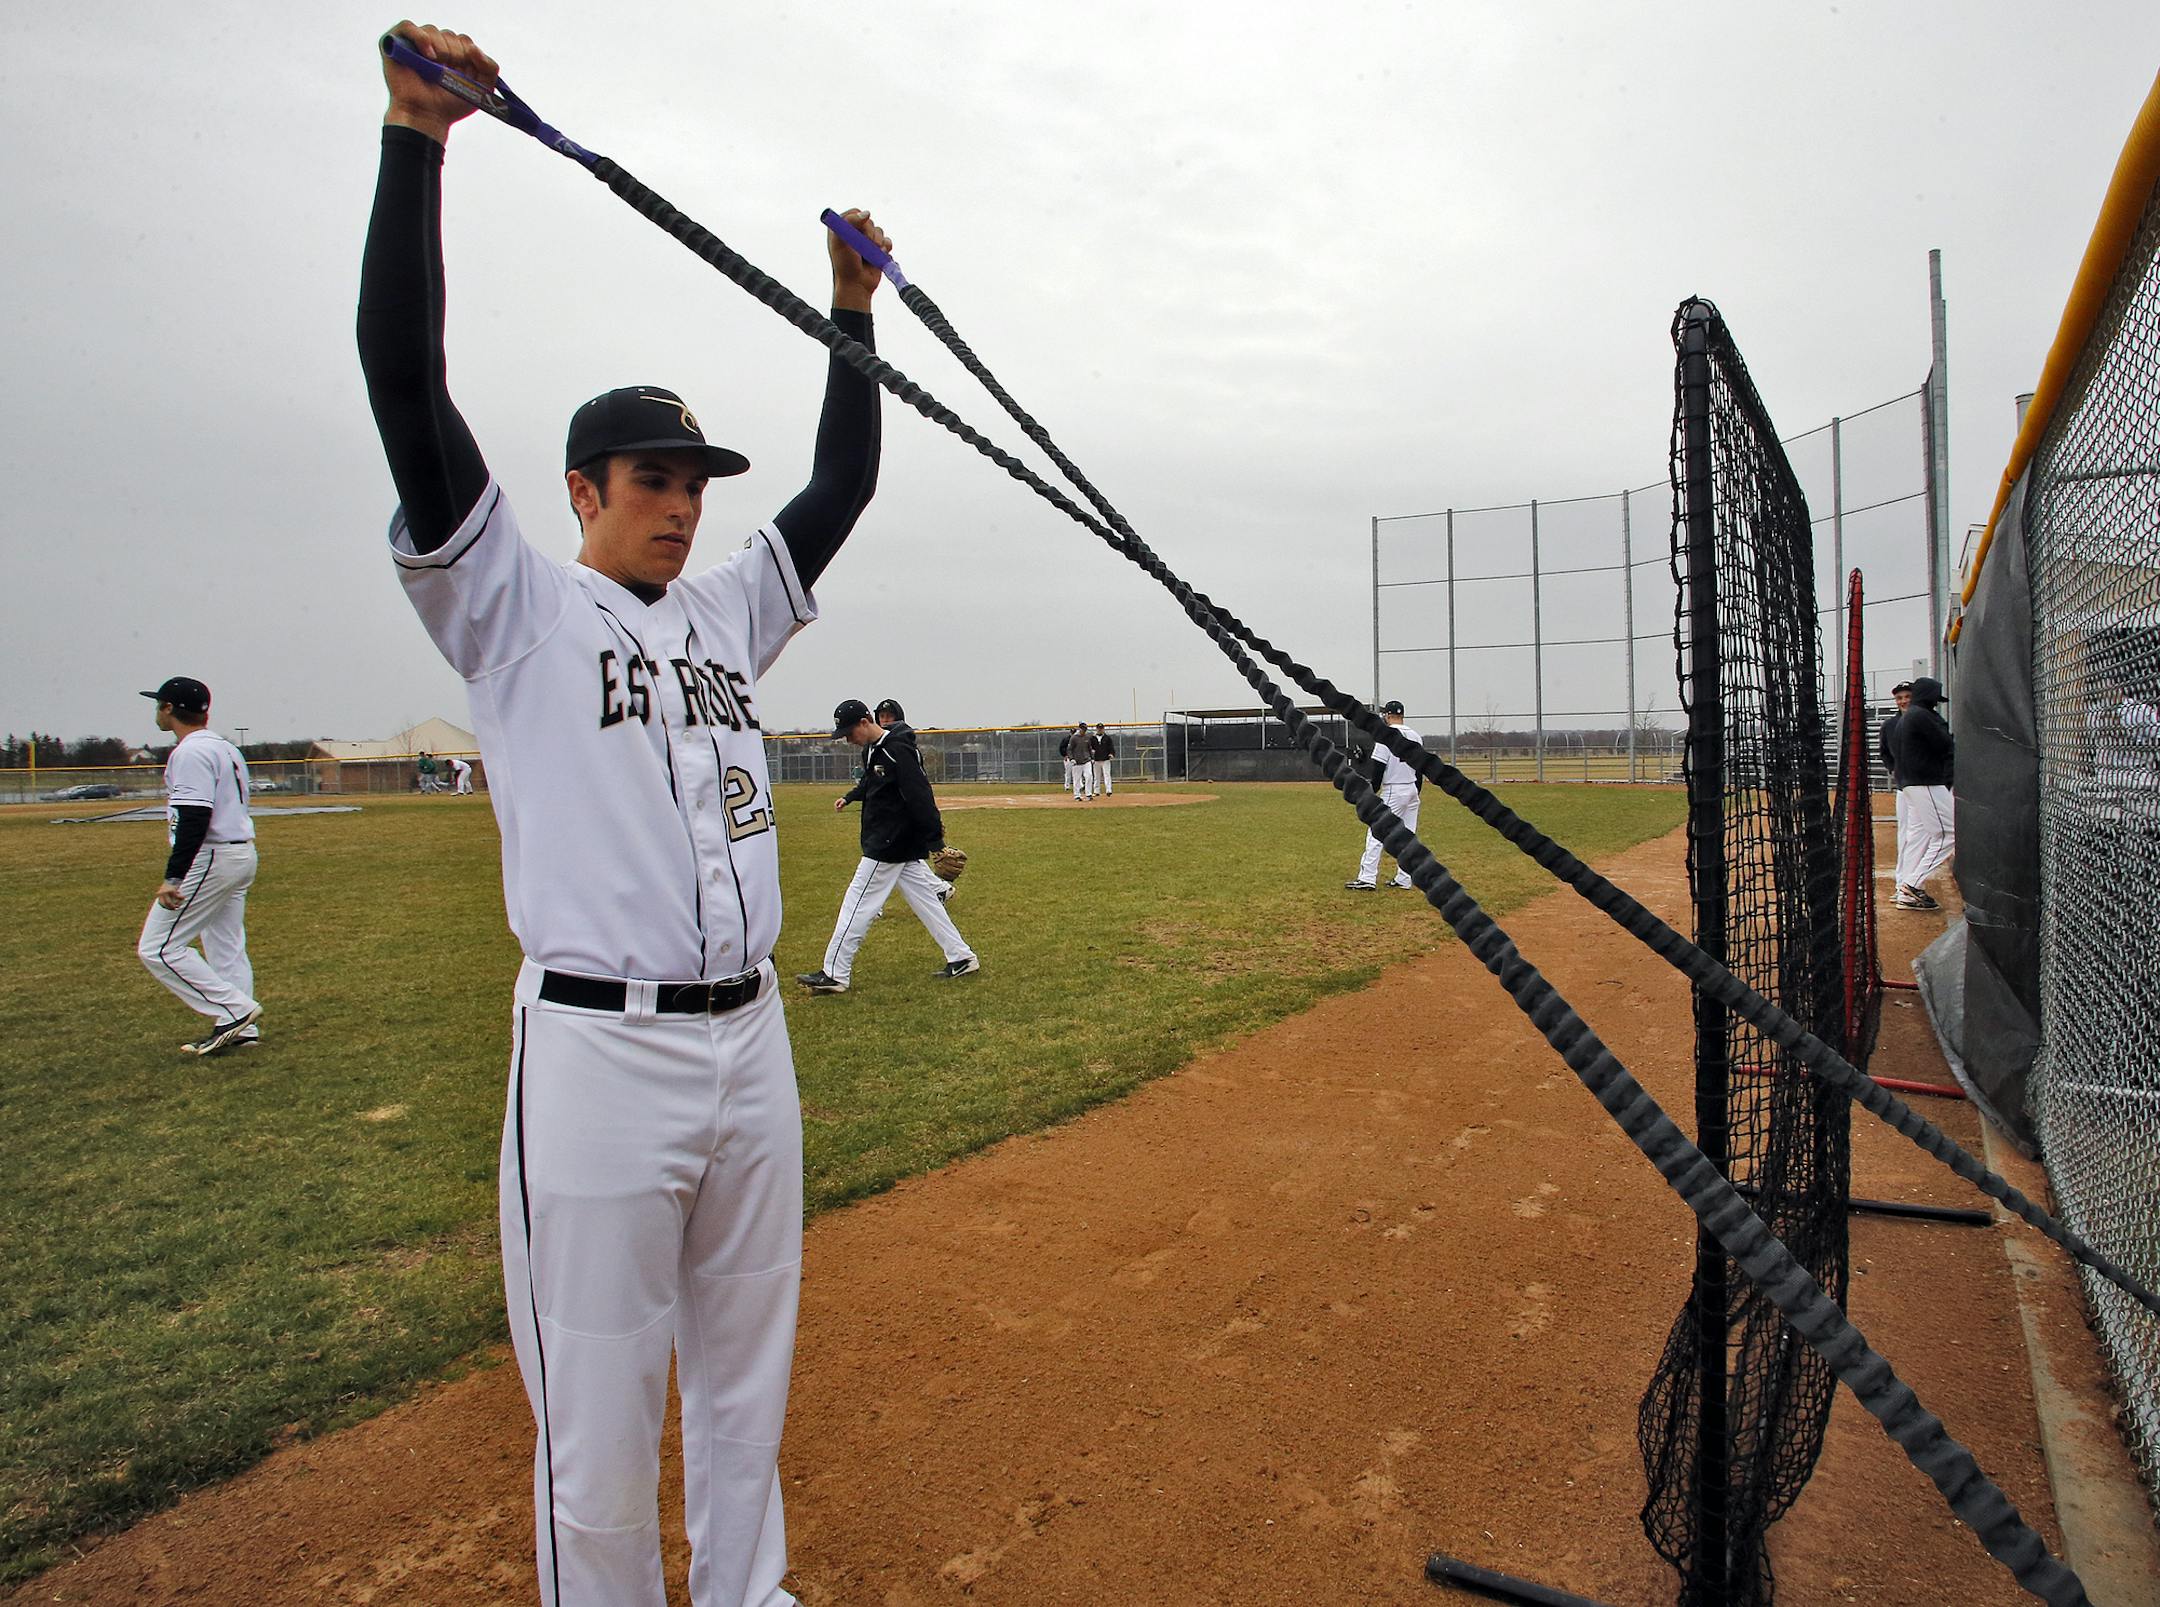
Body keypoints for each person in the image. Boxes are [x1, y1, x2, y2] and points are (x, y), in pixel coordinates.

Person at [358, 24, 889, 1606]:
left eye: (693, 478)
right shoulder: (509, 600)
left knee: (746, 1368)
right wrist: (415, 141)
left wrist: (852, 314)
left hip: (751, 1038)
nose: (681, 499)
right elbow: (405, 378)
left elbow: (840, 489)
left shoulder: (729, 615)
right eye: (650, 475)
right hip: (599, 1048)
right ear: (583, 488)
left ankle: (748, 1591)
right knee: (593, 1413)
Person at [797, 699, 979, 993]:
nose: (848, 739)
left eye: (849, 732)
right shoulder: (873, 750)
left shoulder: (897, 749)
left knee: (856, 904)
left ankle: (835, 973)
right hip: (896, 842)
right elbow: (872, 783)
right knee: (928, 902)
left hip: (889, 844)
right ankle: (961, 957)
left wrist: (936, 842)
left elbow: (920, 794)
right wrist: (851, 796)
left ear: (865, 722)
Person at [135, 675, 262, 1055]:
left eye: (158, 704)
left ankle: (235, 1012)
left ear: (170, 708)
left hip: (213, 854)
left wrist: (174, 875)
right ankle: (241, 1030)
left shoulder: (190, 752)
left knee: (157, 948)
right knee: (225, 945)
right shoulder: (223, 746)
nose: (156, 711)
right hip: (239, 852)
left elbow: (194, 816)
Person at [1885, 676, 1954, 909]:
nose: (1936, 704)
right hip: (1925, 782)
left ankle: (1905, 889)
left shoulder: (1910, 716)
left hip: (1911, 784)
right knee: (1949, 833)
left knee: (1919, 836)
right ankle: (1911, 885)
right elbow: (1945, 744)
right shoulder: (1921, 715)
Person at [1346, 700, 1423, 890]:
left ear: (1387, 715)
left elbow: (1377, 772)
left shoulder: (1385, 737)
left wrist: (1369, 795)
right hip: (1412, 788)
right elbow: (1421, 767)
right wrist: (1415, 790)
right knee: (1407, 836)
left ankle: (1367, 878)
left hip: (1393, 790)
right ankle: (1404, 878)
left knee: (1376, 833)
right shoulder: (1416, 736)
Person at [1070, 719, 1095, 800]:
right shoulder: (1074, 738)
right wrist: (1072, 758)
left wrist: (1092, 758)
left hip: (1086, 760)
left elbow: (1089, 748)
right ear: (1079, 729)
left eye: (1085, 729)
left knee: (1089, 776)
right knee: (1077, 779)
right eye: (1083, 729)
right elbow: (1069, 749)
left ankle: (1088, 794)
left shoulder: (1087, 737)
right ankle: (1077, 795)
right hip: (1077, 762)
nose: (1084, 731)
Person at [1090, 722, 1115, 798]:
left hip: (1105, 759)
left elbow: (1111, 747)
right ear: (1096, 729)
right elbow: (1089, 748)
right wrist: (1091, 755)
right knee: (1096, 776)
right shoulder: (1092, 738)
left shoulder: (1107, 738)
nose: (1100, 730)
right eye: (1099, 728)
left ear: (1103, 729)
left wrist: (1111, 754)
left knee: (1106, 775)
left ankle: (1108, 790)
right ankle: (1096, 791)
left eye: (1101, 728)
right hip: (1096, 759)